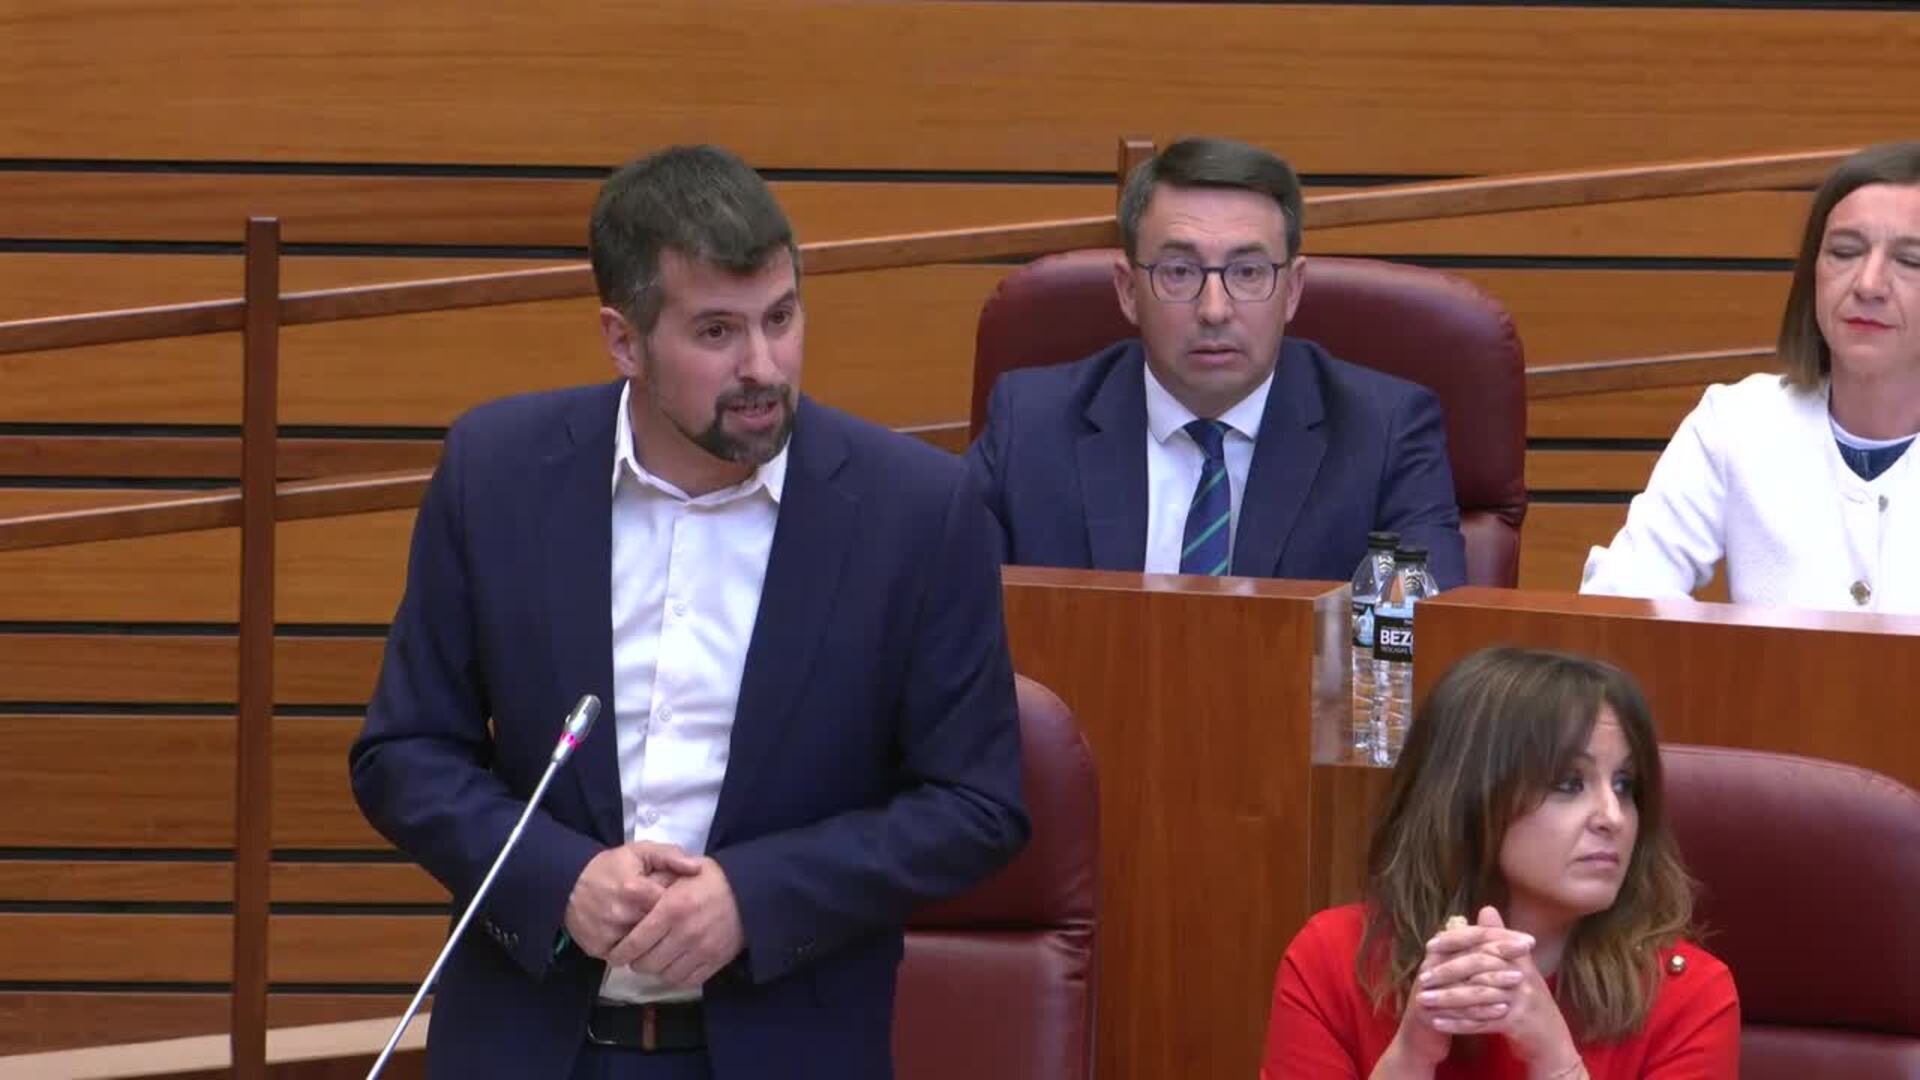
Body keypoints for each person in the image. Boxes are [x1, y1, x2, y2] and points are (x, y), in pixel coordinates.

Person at [349, 145, 1029, 1080]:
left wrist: (755, 898)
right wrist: (559, 877)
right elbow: (405, 754)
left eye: (780, 318)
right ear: (623, 340)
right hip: (534, 1044)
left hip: (783, 1048)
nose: (763, 366)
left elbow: (977, 806)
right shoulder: (496, 473)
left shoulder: (915, 511)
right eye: (716, 332)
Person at [964, 136, 1468, 588]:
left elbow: (1423, 636)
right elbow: (953, 615)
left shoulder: (1386, 432)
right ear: (1128, 291)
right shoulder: (1030, 425)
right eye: (1179, 271)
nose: (1214, 310)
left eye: (1247, 272)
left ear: (1292, 290)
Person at [1261, 647, 1738, 1078]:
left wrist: (1557, 1061)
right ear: (1469, 796)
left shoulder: (1689, 996)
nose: (1613, 817)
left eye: (1624, 785)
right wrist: (1410, 1059)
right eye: (1569, 783)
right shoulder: (1333, 960)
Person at [1581, 141, 1920, 612]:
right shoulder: (1737, 421)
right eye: (1845, 252)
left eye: (1911, 261)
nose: (1868, 284)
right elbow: (1619, 598)